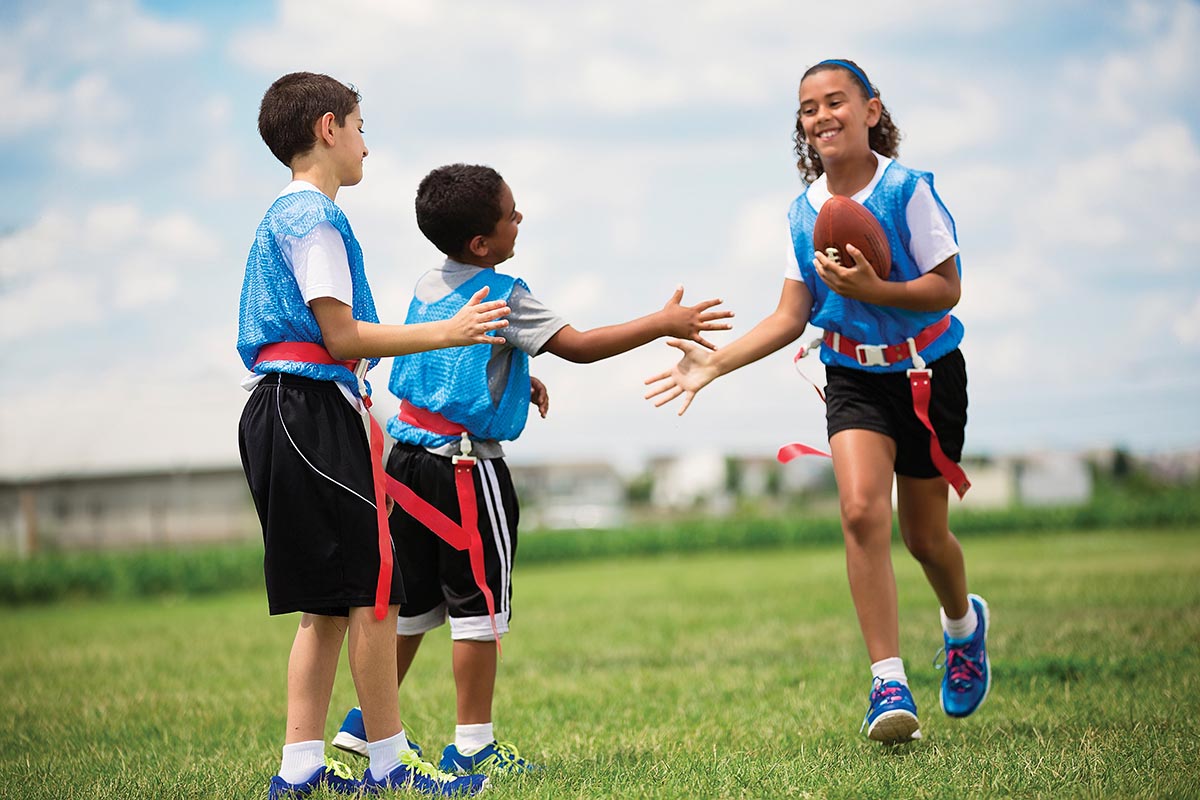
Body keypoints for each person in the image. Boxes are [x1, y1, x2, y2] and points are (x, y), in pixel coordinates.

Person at [329, 162, 733, 774]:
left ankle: (365, 725)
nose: (521, 221)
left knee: (410, 608)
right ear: (481, 244)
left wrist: (519, 380)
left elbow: (448, 368)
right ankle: (473, 748)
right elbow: (580, 345)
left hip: (405, 468)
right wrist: (661, 323)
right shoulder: (505, 294)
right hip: (465, 472)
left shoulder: (425, 285)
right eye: (510, 215)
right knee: (477, 612)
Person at [644, 59, 990, 744]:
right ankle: (887, 680)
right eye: (809, 108)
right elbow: (790, 315)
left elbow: (946, 288)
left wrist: (876, 291)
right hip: (852, 376)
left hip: (927, 374)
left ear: (871, 110)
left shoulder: (907, 191)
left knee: (925, 537)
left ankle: (963, 626)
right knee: (861, 510)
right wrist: (712, 364)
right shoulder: (803, 214)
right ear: (801, 126)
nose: (823, 115)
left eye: (837, 101)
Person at [237, 73, 509, 798]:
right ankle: (388, 765)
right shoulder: (314, 220)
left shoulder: (291, 215)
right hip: (307, 412)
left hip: (290, 412)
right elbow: (342, 332)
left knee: (326, 604)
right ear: (329, 128)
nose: (366, 142)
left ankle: (299, 772)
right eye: (360, 126)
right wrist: (445, 332)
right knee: (372, 592)